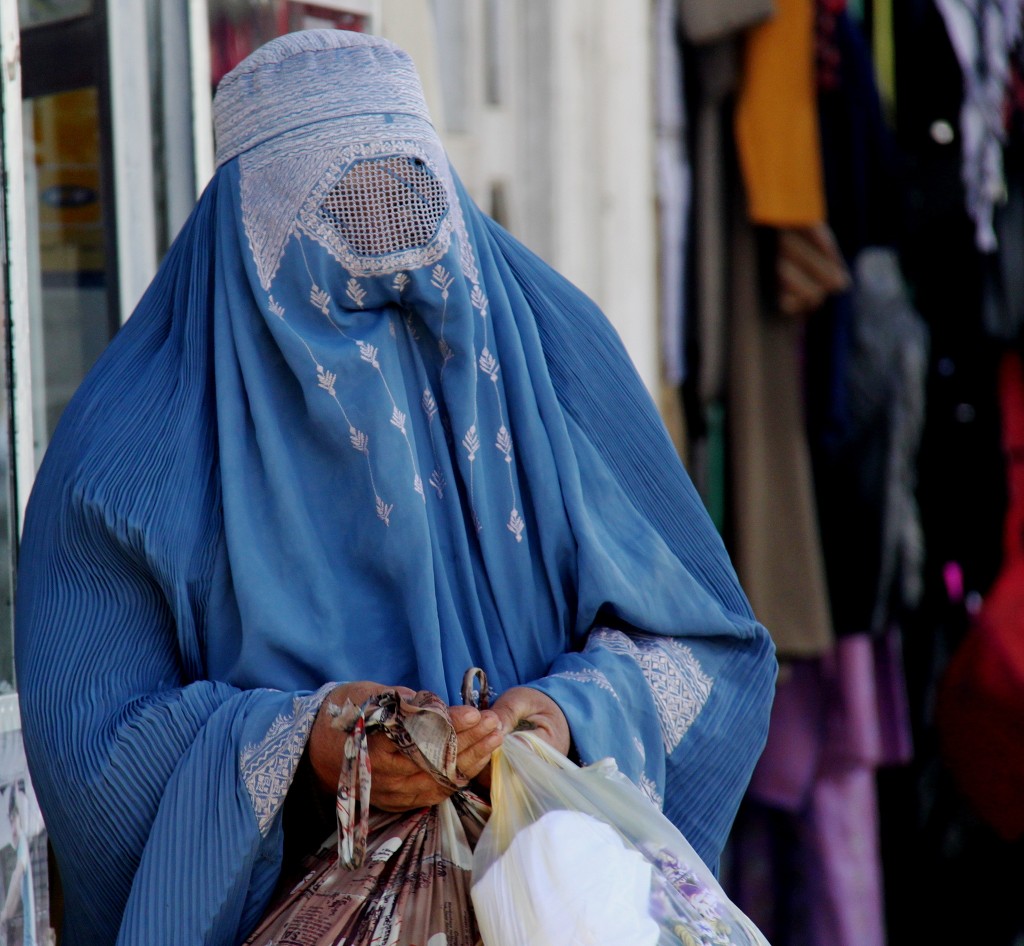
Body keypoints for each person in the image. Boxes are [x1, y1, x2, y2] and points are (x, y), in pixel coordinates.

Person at [14, 30, 777, 946]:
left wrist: (569, 715)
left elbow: (710, 650)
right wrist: (302, 749)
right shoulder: (129, 456)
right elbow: (89, 751)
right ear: (246, 249)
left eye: (412, 217)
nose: (395, 286)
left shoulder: (556, 354)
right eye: (343, 246)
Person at [0, 789, 37, 946]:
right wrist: (6, 915)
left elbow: (16, 874)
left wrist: (5, 913)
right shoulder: (21, 845)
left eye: (11, 820)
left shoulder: (22, 842)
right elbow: (15, 899)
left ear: (15, 818)